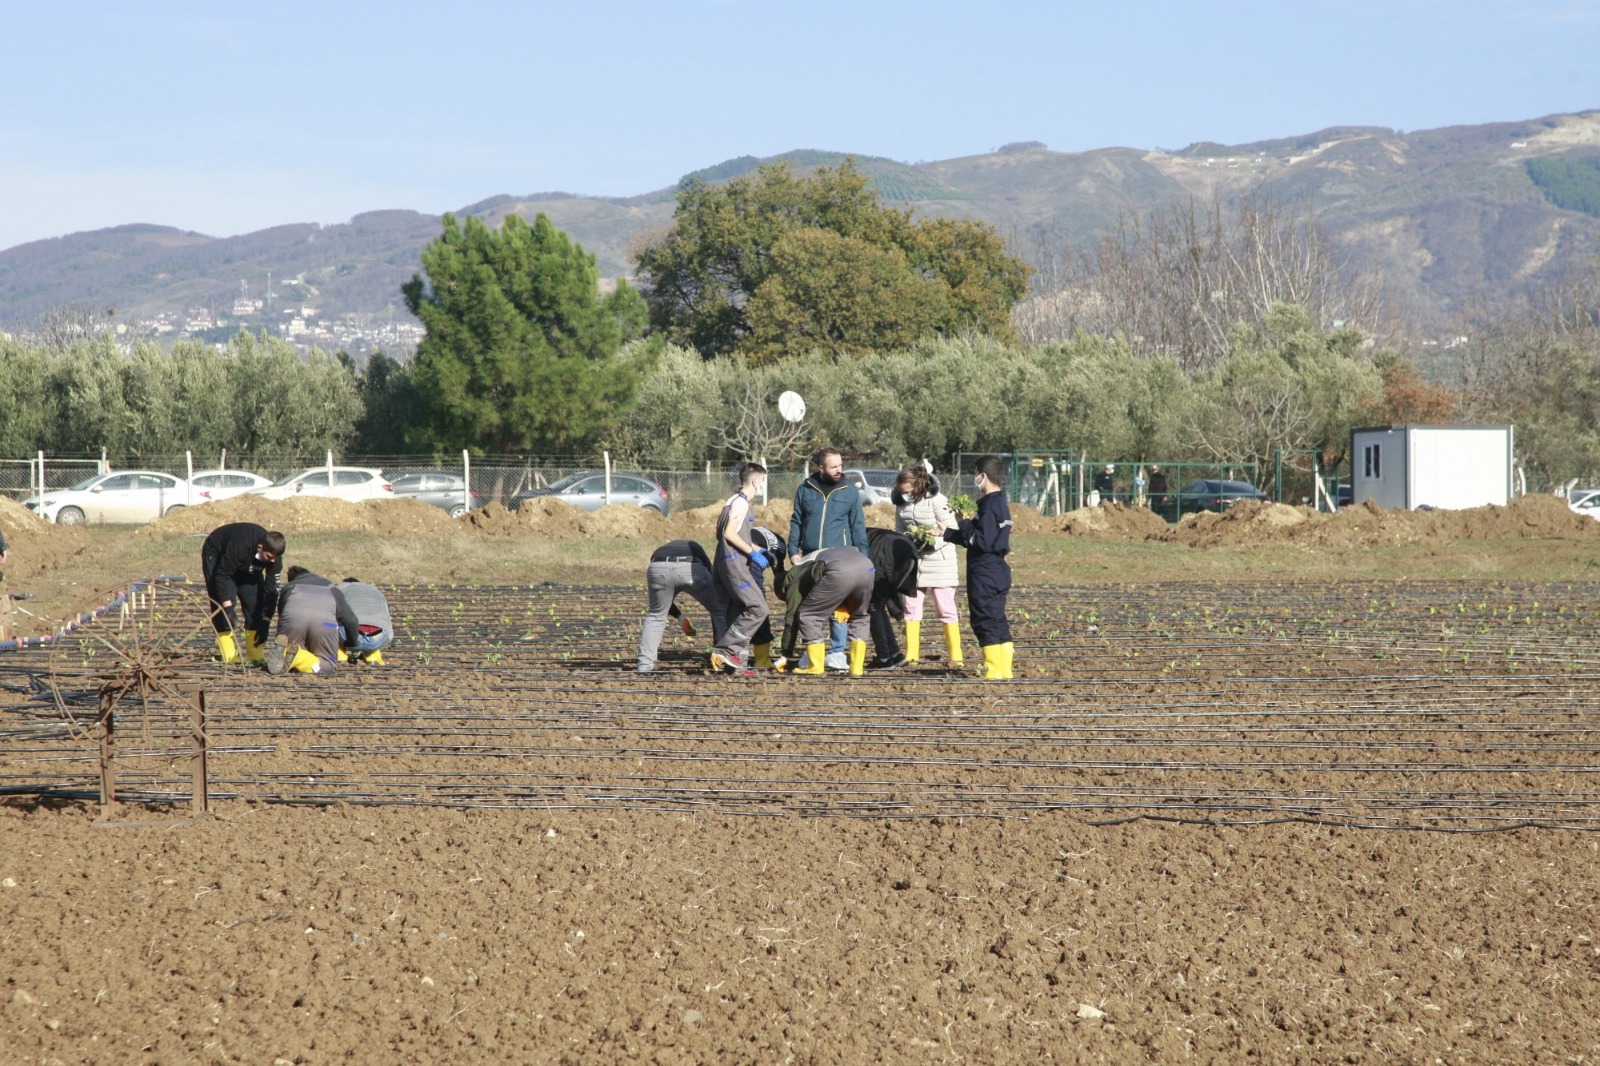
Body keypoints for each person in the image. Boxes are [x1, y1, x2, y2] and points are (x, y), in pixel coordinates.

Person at [788, 446, 868, 671]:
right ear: (820, 467)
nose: (839, 470)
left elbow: (858, 526)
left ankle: (836, 653)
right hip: (811, 557)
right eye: (834, 467)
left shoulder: (849, 491)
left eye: (841, 465)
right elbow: (797, 520)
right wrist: (793, 549)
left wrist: (863, 556)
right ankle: (811, 651)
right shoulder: (806, 489)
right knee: (809, 605)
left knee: (838, 607)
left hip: (841, 559)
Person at [943, 455, 1014, 679]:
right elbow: (977, 538)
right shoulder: (999, 503)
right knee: (997, 619)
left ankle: (993, 671)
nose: (975, 478)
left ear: (983, 476)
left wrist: (964, 521)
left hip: (985, 572)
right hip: (997, 570)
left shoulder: (989, 506)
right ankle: (1005, 670)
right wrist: (946, 533)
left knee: (984, 620)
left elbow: (981, 542)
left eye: (976, 474)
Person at [892, 465, 963, 666]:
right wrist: (906, 543)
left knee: (944, 608)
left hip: (941, 562)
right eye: (901, 491)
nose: (904, 495)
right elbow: (899, 529)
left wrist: (931, 543)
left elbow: (952, 530)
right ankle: (911, 655)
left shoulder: (938, 501)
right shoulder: (901, 503)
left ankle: (956, 657)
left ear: (918, 486)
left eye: (907, 491)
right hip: (914, 562)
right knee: (911, 607)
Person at [774, 546, 875, 676]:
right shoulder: (806, 561)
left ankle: (815, 667)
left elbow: (791, 617)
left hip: (838, 570)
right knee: (860, 616)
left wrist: (785, 655)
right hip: (867, 566)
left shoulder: (793, 579)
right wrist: (843, 604)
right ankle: (856, 668)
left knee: (808, 615)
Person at [709, 463, 771, 676]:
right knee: (758, 608)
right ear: (755, 481)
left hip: (723, 562)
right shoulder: (741, 503)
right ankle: (726, 649)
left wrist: (760, 550)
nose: (763, 485)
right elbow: (729, 534)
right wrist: (752, 553)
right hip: (735, 564)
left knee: (736, 611)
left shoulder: (731, 501)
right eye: (763, 481)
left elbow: (733, 535)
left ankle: (737, 667)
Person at [201, 522, 285, 664]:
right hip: (218, 555)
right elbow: (221, 576)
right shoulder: (241, 545)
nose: (272, 561)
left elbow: (272, 590)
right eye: (269, 557)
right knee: (222, 603)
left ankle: (255, 654)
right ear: (260, 548)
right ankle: (229, 655)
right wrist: (228, 608)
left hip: (246, 563)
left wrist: (265, 621)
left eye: (275, 558)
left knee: (256, 604)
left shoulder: (274, 557)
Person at [637, 538, 725, 673]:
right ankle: (724, 657)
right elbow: (715, 590)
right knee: (719, 611)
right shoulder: (697, 548)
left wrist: (680, 617)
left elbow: (663, 603)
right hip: (691, 567)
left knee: (656, 616)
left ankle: (644, 667)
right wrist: (716, 641)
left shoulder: (659, 552)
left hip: (658, 568)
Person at [266, 568, 358, 675]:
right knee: (327, 665)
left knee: (290, 652)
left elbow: (283, 615)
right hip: (324, 623)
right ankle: (300, 657)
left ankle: (288, 654)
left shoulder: (289, 587)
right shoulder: (332, 589)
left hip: (293, 619)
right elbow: (350, 620)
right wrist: (351, 643)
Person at [865, 527, 920, 669]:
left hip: (886, 553)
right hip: (906, 549)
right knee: (878, 605)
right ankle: (895, 655)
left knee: (873, 606)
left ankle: (884, 658)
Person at [338, 577, 393, 665]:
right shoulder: (375, 590)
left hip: (348, 637)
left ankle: (340, 656)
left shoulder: (339, 589)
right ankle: (373, 657)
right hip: (377, 639)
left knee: (329, 623)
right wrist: (380, 644)